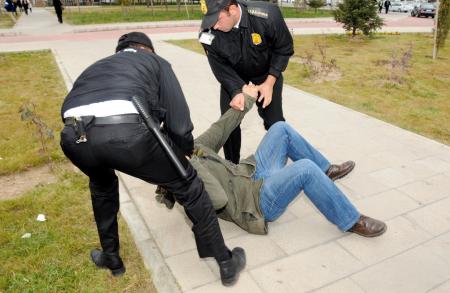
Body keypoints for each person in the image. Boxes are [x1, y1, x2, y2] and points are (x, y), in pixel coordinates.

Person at [60, 32, 246, 287]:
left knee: (102, 187)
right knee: (191, 188)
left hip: (74, 135)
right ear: (148, 50)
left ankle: (111, 258)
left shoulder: (99, 65)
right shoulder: (156, 63)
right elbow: (179, 123)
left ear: (120, 51)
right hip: (127, 134)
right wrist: (183, 154)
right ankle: (225, 262)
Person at [158, 85, 387, 237]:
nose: (188, 132)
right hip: (257, 203)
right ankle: (351, 220)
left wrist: (247, 97)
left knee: (280, 129)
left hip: (253, 173)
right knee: (304, 169)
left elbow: (221, 127)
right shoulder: (181, 177)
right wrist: (189, 162)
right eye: (183, 134)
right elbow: (218, 200)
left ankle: (326, 171)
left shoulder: (195, 146)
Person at [199, 0, 294, 164]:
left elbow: (284, 49)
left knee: (276, 124)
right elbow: (220, 67)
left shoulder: (268, 16)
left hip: (266, 73)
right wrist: (237, 90)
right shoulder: (207, 35)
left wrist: (269, 83)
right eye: (209, 20)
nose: (213, 27)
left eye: (217, 19)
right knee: (229, 124)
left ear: (233, 9)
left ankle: (278, 166)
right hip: (234, 77)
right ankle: (232, 166)